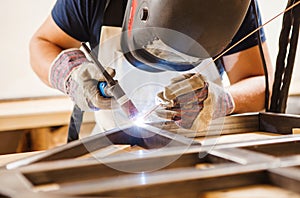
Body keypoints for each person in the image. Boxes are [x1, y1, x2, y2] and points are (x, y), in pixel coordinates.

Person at [30, 0, 273, 133]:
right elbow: (43, 43)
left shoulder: (233, 6)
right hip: (110, 147)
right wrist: (71, 75)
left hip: (196, 150)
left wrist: (219, 100)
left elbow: (262, 82)